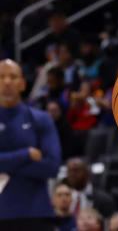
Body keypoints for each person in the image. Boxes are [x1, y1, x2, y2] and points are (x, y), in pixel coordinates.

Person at [0, 59, 62, 231]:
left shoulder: (41, 119)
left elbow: (52, 166)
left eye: (13, 77)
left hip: (36, 213)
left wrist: (5, 165)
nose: (7, 82)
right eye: (1, 76)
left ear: (22, 84)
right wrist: (26, 155)